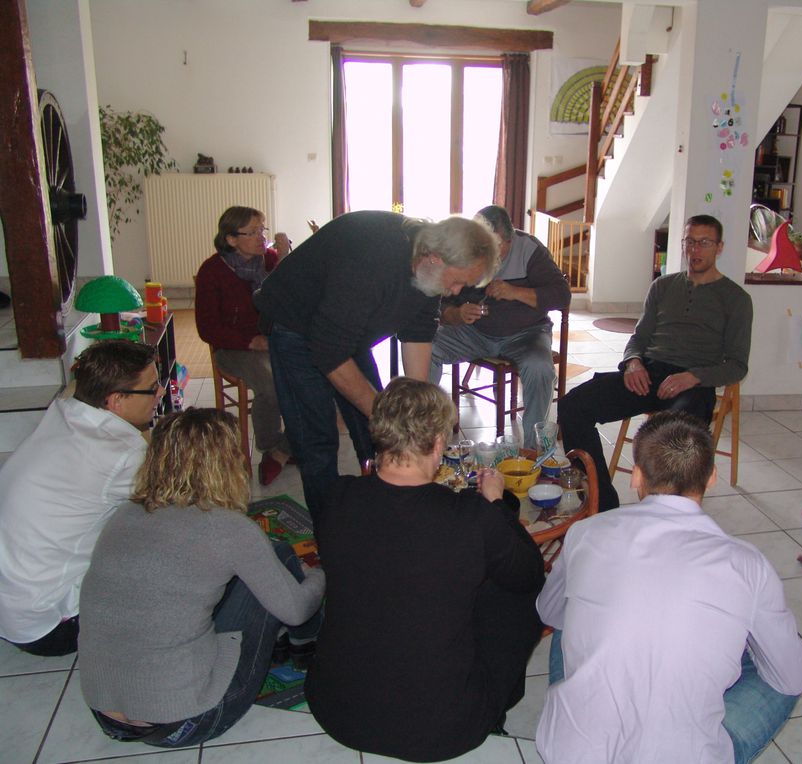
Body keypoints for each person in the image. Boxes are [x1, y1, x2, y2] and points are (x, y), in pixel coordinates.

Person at [537, 411, 802, 764]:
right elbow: (791, 679)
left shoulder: (585, 533)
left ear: (636, 476)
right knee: (789, 660)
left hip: (573, 753)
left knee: (567, 612)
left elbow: (548, 612)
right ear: (711, 478)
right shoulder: (747, 565)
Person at [305, 377, 544, 762]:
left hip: (338, 710)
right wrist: (498, 505)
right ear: (436, 444)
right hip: (443, 729)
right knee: (517, 593)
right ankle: (497, 702)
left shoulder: (336, 498)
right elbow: (530, 574)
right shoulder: (471, 518)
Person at [78, 408, 324, 747]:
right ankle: (305, 646)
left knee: (273, 555)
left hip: (103, 710)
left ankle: (292, 642)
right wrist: (320, 576)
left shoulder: (124, 514)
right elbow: (296, 609)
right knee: (285, 583)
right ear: (226, 463)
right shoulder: (230, 529)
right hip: (187, 720)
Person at [253, 210, 500, 516]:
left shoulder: (429, 268)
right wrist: (393, 420)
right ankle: (330, 533)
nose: (456, 292)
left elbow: (418, 333)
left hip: (346, 330)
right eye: (459, 282)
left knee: (376, 433)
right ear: (435, 258)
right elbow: (329, 352)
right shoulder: (372, 262)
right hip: (296, 326)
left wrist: (417, 411)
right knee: (318, 443)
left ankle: (386, 511)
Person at [558, 213, 753, 511]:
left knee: (673, 437)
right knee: (573, 405)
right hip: (648, 372)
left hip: (693, 383)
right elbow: (638, 338)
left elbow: (737, 364)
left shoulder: (736, 299)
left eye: (704, 243)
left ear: (719, 247)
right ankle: (601, 499)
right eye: (690, 242)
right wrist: (633, 362)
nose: (695, 250)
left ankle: (664, 510)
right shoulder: (662, 287)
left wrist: (693, 376)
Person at [0, 339, 160, 656]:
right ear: (115, 401)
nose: (161, 394)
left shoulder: (64, 408)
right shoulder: (123, 453)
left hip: (13, 611)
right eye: (152, 389)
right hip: (49, 629)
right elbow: (174, 510)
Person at [429, 205, 571, 450]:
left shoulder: (530, 249)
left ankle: (532, 451)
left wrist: (514, 292)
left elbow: (561, 295)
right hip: (475, 334)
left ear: (510, 237)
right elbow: (441, 306)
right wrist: (458, 313)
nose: (493, 257)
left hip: (527, 334)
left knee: (540, 368)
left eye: (499, 248)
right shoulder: (463, 252)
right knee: (427, 348)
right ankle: (424, 435)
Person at [195, 206, 291, 486]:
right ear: (231, 239)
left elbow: (288, 297)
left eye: (262, 229)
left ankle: (287, 448)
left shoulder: (271, 260)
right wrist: (250, 341)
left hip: (273, 340)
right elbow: (208, 329)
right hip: (234, 347)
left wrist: (286, 258)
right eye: (253, 232)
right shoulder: (212, 272)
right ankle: (272, 447)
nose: (262, 237)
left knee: (319, 372)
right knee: (272, 384)